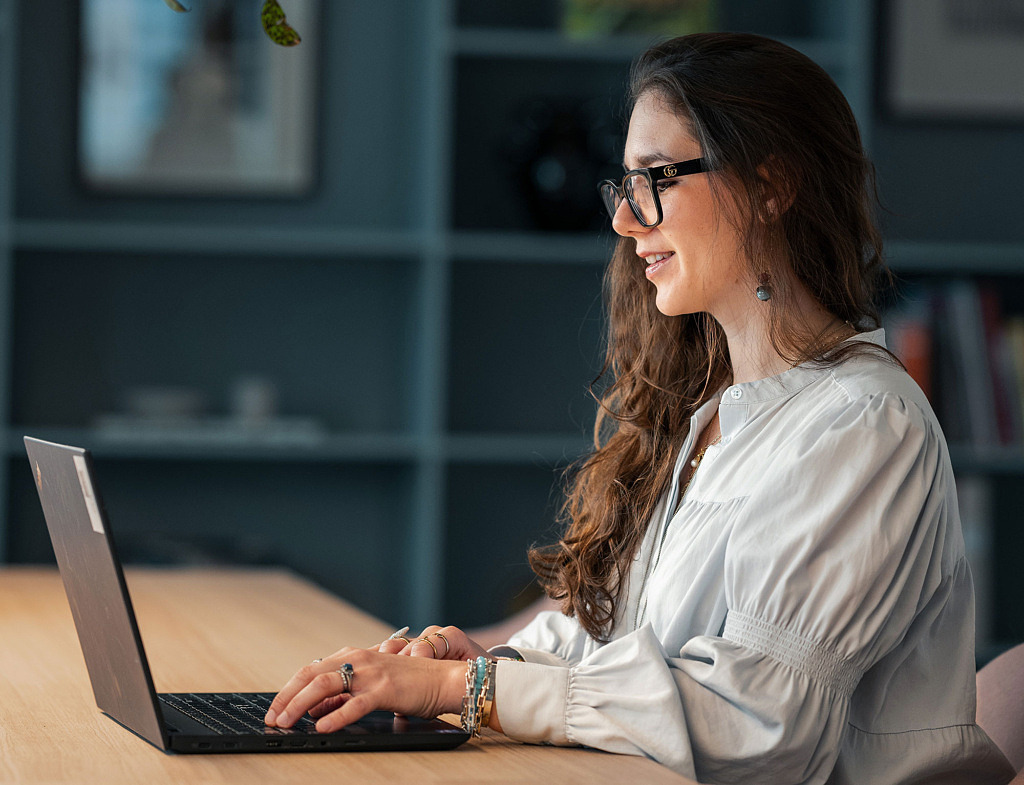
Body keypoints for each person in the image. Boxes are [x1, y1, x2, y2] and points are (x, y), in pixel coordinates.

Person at [264, 33, 1015, 784]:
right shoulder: (710, 416)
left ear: (771, 185)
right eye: (624, 186)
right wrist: (490, 665)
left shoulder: (862, 422)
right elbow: (624, 649)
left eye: (657, 177)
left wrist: (473, 693)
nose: (626, 221)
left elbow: (758, 722)